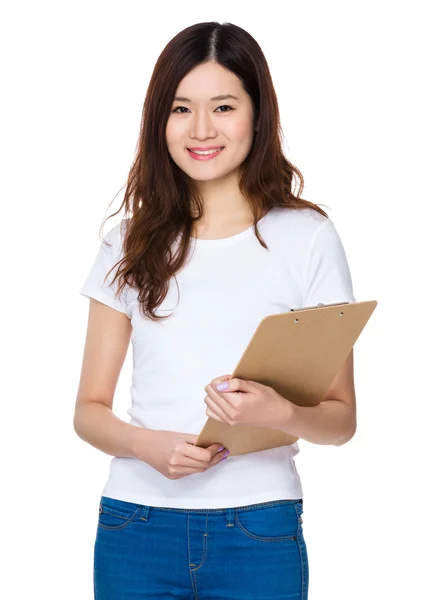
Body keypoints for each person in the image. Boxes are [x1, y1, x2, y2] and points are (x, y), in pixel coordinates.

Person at [75, 21, 357, 600]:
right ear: (161, 121)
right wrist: (145, 445)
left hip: (258, 530)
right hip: (136, 527)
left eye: (223, 106)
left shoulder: (306, 237)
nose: (202, 129)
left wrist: (281, 413)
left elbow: (342, 420)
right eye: (181, 108)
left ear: (258, 114)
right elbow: (88, 411)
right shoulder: (127, 242)